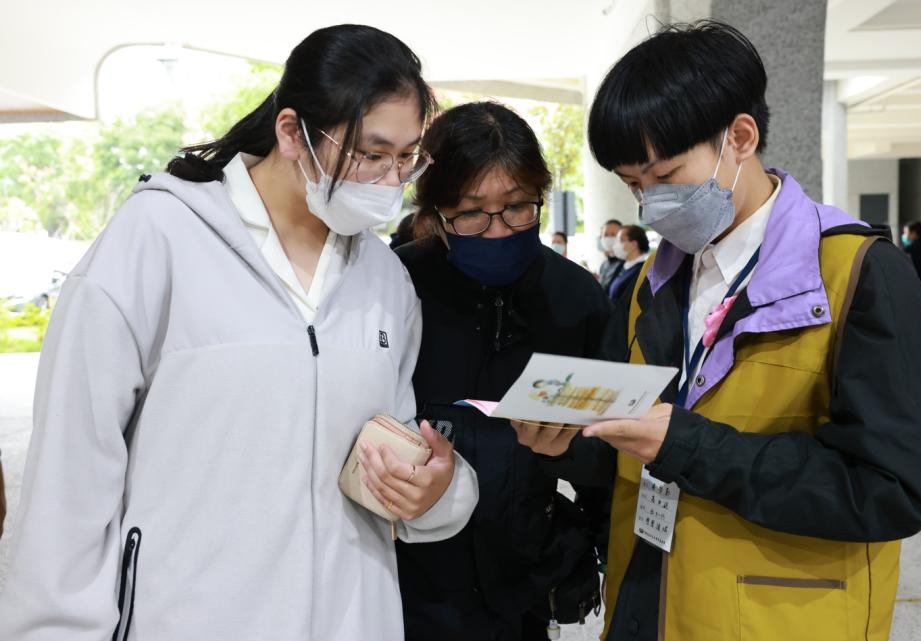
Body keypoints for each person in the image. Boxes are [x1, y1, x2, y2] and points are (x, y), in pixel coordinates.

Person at [0, 25, 479, 641]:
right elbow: (73, 466)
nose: (390, 181)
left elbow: (385, 459)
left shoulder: (385, 281)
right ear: (290, 132)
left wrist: (433, 493)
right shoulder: (160, 239)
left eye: (407, 156)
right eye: (369, 152)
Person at [519, 20, 921, 641]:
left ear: (739, 137)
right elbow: (632, 442)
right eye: (635, 185)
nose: (649, 204)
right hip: (650, 604)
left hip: (785, 619)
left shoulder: (859, 275)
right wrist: (572, 441)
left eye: (664, 175)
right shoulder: (650, 284)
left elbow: (891, 489)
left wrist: (686, 444)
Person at [395, 101, 613, 641]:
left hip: (529, 588)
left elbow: (613, 450)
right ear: (433, 209)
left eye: (518, 207)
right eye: (470, 213)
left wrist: (569, 456)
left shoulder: (576, 299)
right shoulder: (396, 286)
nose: (497, 231)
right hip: (408, 584)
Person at [607, 224, 649, 301]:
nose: (616, 244)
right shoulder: (622, 265)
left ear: (634, 244)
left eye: (620, 240)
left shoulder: (642, 270)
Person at [598, 219, 624, 290]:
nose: (608, 238)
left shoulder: (626, 263)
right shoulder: (605, 264)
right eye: (605, 235)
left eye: (613, 235)